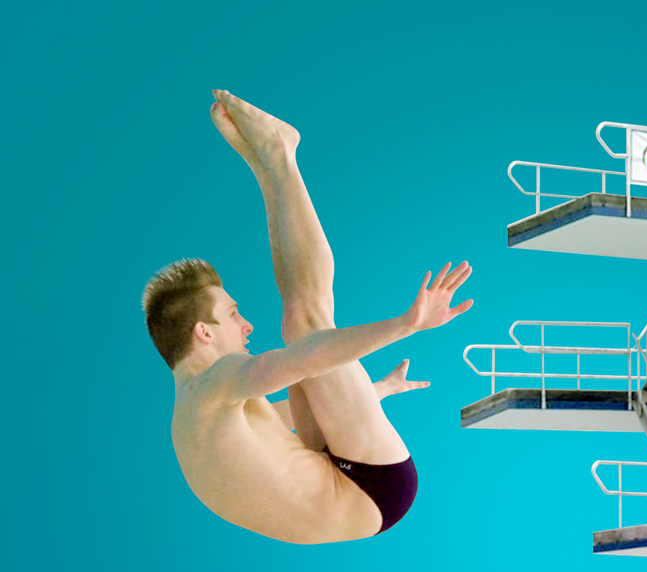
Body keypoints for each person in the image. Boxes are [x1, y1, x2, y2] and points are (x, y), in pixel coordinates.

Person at [142, 90, 472, 544]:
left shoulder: (193, 418)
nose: (245, 325)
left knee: (298, 341)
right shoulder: (215, 382)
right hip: (372, 486)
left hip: (349, 485)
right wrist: (405, 325)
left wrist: (376, 391)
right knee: (304, 322)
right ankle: (280, 155)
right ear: (203, 332)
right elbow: (305, 360)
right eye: (233, 314)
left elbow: (274, 428)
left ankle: (267, 170)